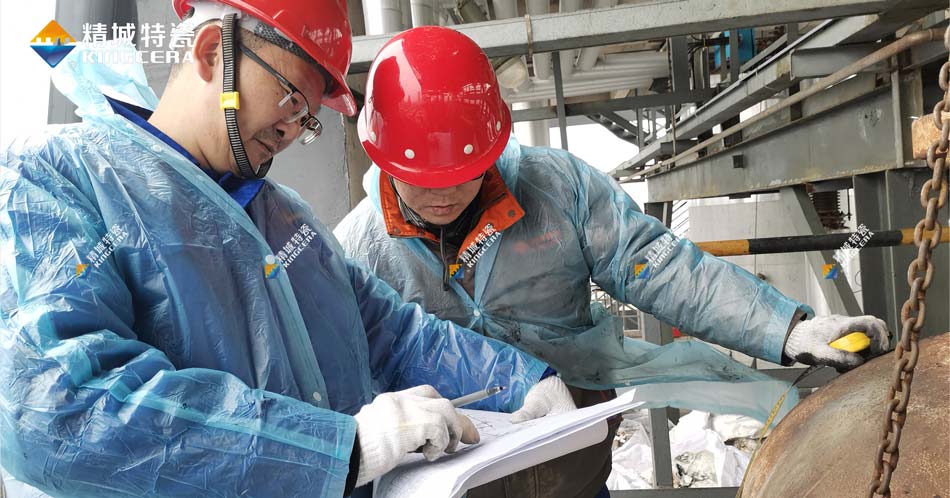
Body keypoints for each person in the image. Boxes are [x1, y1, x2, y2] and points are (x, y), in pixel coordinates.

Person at [0, 3, 578, 497]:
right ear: (211, 51)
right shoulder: (60, 178)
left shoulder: (283, 218)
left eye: (309, 118)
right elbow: (56, 406)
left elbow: (387, 329)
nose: (294, 130)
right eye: (290, 98)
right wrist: (340, 449)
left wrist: (523, 380)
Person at [333, 26, 892, 498]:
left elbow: (659, 266)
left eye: (463, 174)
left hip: (571, 460)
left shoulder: (558, 190)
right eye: (420, 180)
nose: (443, 195)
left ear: (493, 148)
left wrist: (787, 329)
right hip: (451, 473)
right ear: (380, 157)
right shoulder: (358, 250)